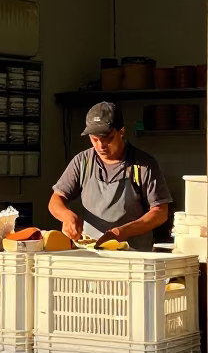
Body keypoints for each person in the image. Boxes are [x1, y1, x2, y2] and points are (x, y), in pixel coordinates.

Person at [49, 101, 172, 251]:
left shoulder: (143, 165)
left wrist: (121, 233)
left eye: (107, 138)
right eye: (94, 139)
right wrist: (67, 216)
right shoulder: (82, 162)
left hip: (133, 255)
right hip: (92, 253)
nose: (100, 146)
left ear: (121, 132)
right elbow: (56, 200)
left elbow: (160, 212)